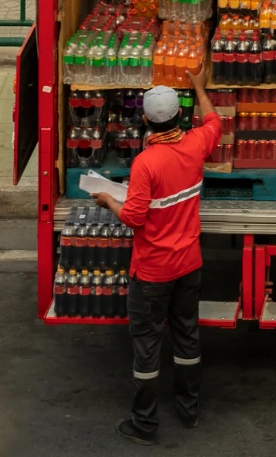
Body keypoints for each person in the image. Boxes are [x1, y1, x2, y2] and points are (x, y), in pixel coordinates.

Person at [91, 67, 222, 447]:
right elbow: (214, 120)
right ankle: (188, 409)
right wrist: (199, 86)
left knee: (147, 346)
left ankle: (145, 424)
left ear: (145, 120)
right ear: (180, 117)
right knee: (187, 338)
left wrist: (108, 199)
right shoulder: (197, 144)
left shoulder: (147, 163)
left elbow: (134, 218)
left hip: (152, 273)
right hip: (189, 265)